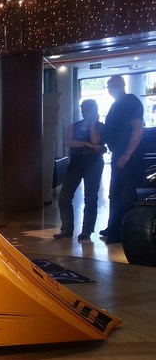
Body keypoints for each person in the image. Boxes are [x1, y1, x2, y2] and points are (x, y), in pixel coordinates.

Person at [101, 75, 145, 244]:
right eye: (108, 87)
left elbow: (137, 129)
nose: (109, 90)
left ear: (120, 85)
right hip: (119, 153)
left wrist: (127, 153)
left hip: (129, 156)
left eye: (111, 86)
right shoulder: (117, 104)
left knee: (126, 195)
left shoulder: (131, 102)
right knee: (115, 193)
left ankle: (129, 232)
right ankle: (114, 228)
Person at [54, 99, 104, 241]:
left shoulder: (100, 126)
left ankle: (86, 231)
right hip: (76, 162)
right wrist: (86, 144)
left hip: (93, 163)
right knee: (65, 197)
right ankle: (67, 228)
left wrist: (92, 123)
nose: (84, 112)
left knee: (90, 197)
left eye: (88, 109)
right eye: (83, 109)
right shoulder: (74, 126)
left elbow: (95, 141)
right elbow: (68, 142)